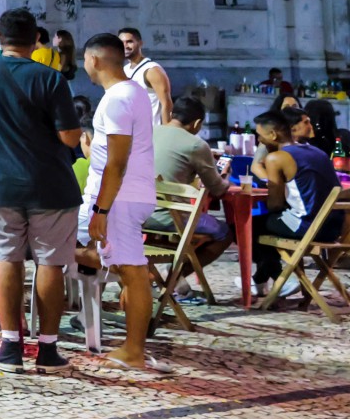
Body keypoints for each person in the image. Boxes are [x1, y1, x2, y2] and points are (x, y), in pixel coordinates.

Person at [0, 6, 81, 371]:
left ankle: (10, 344)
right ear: (36, 40)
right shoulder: (52, 79)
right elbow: (68, 136)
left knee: (8, 259)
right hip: (51, 184)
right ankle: (48, 350)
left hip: (1, 182)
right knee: (51, 263)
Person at [77, 32, 160, 373]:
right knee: (126, 267)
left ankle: (134, 351)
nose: (84, 66)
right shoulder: (134, 92)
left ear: (94, 59)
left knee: (133, 272)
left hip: (120, 198)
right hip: (126, 194)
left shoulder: (117, 99)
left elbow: (117, 161)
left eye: (85, 60)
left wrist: (102, 209)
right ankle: (131, 341)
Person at [249, 106, 345, 302]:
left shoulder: (277, 158)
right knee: (266, 224)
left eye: (260, 136)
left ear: (273, 134)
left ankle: (274, 280)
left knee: (251, 225)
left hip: (308, 226)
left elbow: (275, 204)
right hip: (334, 227)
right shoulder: (318, 152)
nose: (259, 141)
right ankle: (268, 280)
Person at [145, 96, 233, 271]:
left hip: (137, 215)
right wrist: (225, 175)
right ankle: (176, 278)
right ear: (197, 123)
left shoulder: (147, 132)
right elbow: (217, 189)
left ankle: (166, 281)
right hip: (170, 218)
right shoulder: (195, 145)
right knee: (225, 233)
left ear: (172, 114)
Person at [119, 27, 171, 125]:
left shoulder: (152, 70)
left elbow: (166, 104)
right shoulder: (125, 69)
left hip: (152, 133)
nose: (125, 46)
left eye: (129, 42)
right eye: (121, 43)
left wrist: (166, 132)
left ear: (140, 43)